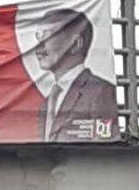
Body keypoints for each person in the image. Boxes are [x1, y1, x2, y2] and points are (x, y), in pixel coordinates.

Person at [34, 8, 118, 142]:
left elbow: (104, 146)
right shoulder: (48, 100)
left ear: (76, 43)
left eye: (47, 35)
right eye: (38, 36)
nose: (38, 47)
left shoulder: (100, 91)